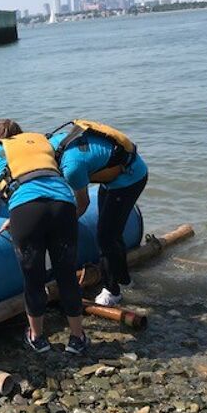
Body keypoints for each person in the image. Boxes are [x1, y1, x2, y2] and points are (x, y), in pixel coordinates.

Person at [0, 119, 89, 355]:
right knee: (66, 274)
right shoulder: (42, 143)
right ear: (22, 135)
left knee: (33, 277)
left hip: (27, 213)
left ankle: (38, 338)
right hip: (63, 206)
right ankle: (77, 338)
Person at [49, 120, 148, 306]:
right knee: (112, 233)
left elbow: (83, 203)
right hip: (114, 178)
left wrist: (64, 226)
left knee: (105, 237)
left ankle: (112, 291)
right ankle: (125, 279)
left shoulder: (71, 168)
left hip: (130, 179)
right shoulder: (54, 143)